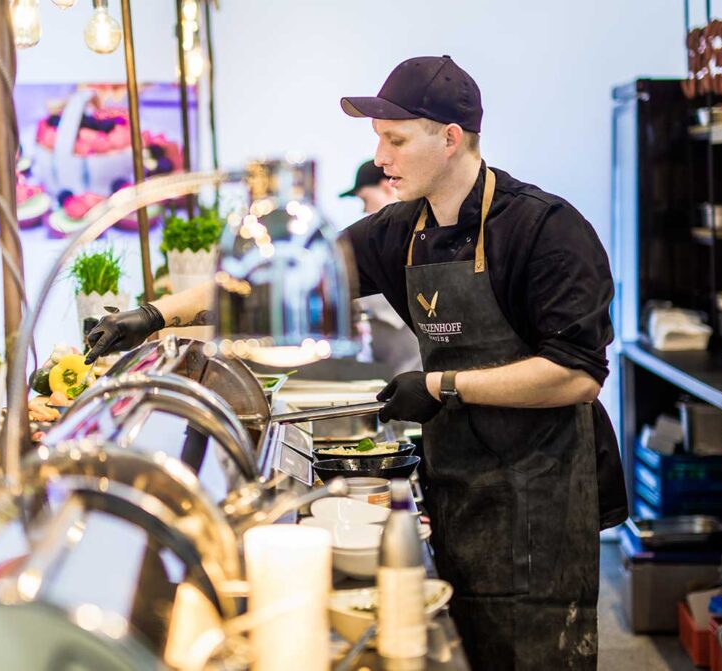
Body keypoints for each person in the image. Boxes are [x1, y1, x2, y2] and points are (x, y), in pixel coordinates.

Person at [84, 55, 628, 670]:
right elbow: (274, 282)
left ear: (451, 138)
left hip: (539, 493)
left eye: (396, 140)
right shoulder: (399, 230)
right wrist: (153, 315)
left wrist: (441, 385)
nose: (381, 158)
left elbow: (576, 376)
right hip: (457, 481)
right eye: (378, 140)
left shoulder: (546, 229)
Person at [341, 159, 421, 373]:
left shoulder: (403, 246)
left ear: (386, 187)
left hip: (417, 372)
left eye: (365, 199)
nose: (364, 209)